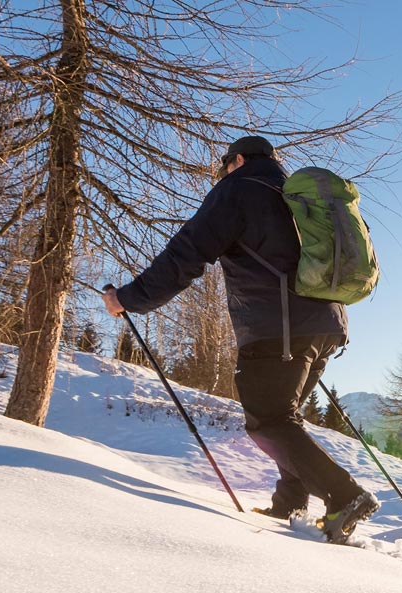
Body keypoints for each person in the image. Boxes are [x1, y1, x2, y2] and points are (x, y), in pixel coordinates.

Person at [101, 136, 378, 543]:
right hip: (328, 324)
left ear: (240, 160)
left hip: (277, 326)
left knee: (267, 420)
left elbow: (186, 254)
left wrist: (128, 298)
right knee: (286, 417)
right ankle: (290, 504)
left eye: (225, 165)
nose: (223, 173)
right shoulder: (297, 195)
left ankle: (344, 494)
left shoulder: (239, 189)